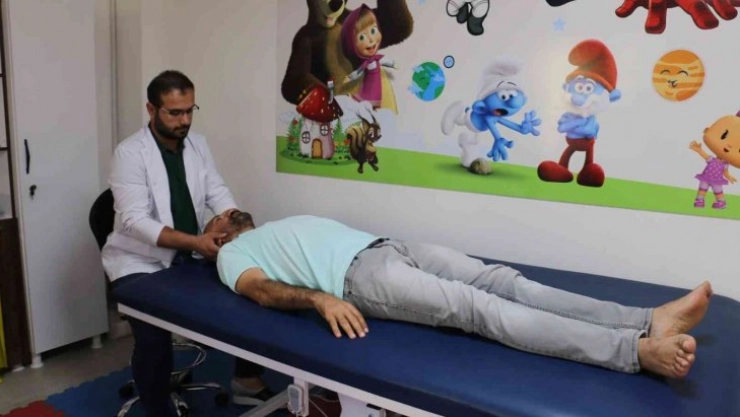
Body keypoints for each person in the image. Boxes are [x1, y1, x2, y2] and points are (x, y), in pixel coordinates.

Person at [208, 212, 713, 379]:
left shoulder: (276, 222)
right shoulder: (231, 254)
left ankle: (647, 318)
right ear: (218, 235)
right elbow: (263, 291)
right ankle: (634, 351)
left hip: (388, 246)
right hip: (358, 281)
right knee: (482, 309)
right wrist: (321, 299)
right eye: (219, 217)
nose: (227, 213)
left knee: (507, 281)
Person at [102, 70, 272, 417]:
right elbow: (134, 222)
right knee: (153, 332)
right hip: (139, 261)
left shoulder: (197, 145)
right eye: (174, 113)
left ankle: (246, 379)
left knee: (251, 288)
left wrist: (235, 222)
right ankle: (157, 409)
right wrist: (197, 240)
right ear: (151, 109)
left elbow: (216, 191)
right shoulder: (130, 153)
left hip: (189, 253)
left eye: (190, 111)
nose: (184, 121)